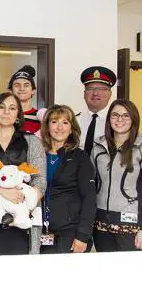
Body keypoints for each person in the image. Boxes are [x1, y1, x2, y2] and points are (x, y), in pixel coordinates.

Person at [0, 92, 46, 255]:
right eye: (2, 107)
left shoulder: (32, 142)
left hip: (25, 217)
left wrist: (24, 207)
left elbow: (40, 181)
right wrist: (4, 192)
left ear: (18, 116)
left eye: (12, 108)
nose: (6, 112)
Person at [91, 99, 142, 252]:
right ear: (109, 118)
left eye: (126, 116)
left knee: (132, 274)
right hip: (101, 224)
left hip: (133, 226)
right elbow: (92, 184)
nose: (119, 120)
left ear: (134, 119)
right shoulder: (98, 148)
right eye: (115, 115)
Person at [39, 105, 96, 254]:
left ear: (71, 129)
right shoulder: (37, 155)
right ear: (47, 127)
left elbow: (89, 198)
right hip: (41, 230)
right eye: (54, 122)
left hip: (70, 233)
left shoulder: (80, 157)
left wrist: (83, 236)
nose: (59, 127)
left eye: (65, 122)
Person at [77, 66, 116, 156]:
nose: (95, 93)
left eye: (101, 89)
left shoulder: (117, 122)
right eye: (90, 89)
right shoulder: (74, 121)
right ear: (84, 93)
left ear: (110, 94)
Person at [8, 65, 41, 134]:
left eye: (26, 85)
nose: (22, 89)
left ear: (33, 91)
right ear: (10, 91)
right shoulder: (1, 115)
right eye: (17, 85)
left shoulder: (42, 117)